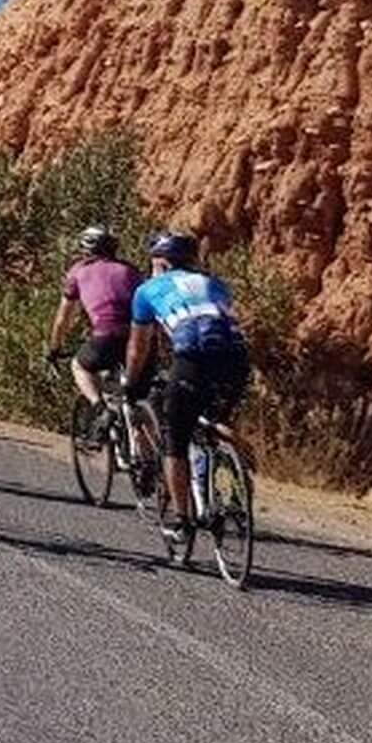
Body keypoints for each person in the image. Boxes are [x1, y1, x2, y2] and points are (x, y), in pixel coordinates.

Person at [124, 229, 251, 559]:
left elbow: (139, 347)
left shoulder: (147, 290)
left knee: (174, 440)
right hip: (236, 359)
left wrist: (132, 384)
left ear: (161, 263)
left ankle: (182, 520)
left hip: (191, 357)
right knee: (211, 418)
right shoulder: (215, 284)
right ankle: (232, 447)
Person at [45, 225, 138, 419]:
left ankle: (100, 408)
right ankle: (144, 443)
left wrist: (54, 348)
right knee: (136, 401)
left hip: (106, 334)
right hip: (138, 336)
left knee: (80, 366)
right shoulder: (130, 270)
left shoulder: (78, 271)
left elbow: (63, 318)